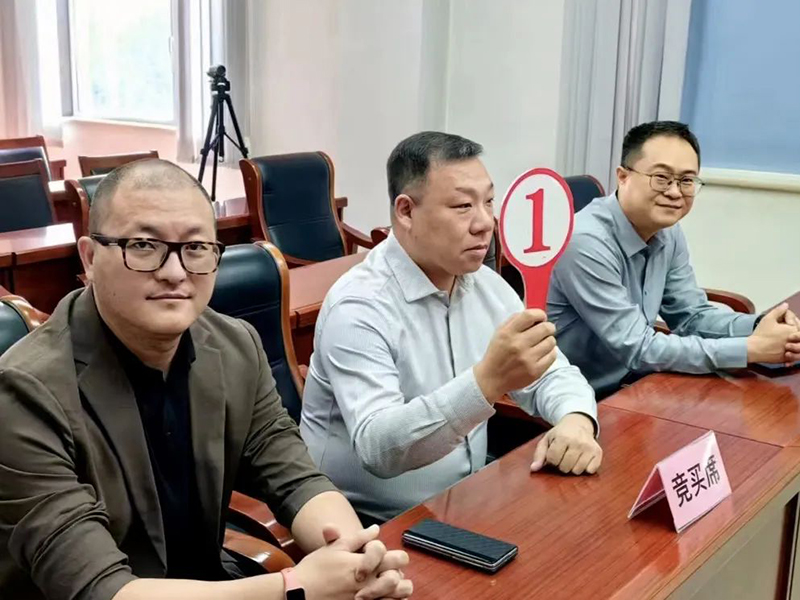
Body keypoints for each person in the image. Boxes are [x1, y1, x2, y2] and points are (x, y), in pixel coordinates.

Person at [0, 160, 412, 600]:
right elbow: (100, 590)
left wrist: (356, 557)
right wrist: (294, 587)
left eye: (196, 247)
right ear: (89, 257)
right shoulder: (24, 393)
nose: (175, 272)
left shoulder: (235, 345)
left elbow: (295, 478)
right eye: (143, 245)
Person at [300, 132, 602, 523]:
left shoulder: (486, 286)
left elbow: (549, 371)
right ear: (406, 211)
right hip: (371, 523)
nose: (485, 223)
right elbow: (379, 449)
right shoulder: (359, 306)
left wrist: (576, 419)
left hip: (468, 499)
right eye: (463, 206)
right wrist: (487, 382)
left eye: (488, 201)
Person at [548, 120, 800, 397]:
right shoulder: (584, 241)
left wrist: (760, 327)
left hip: (639, 382)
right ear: (623, 176)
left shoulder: (668, 231)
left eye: (686, 180)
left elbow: (691, 316)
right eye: (661, 178)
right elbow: (639, 348)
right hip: (577, 397)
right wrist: (750, 349)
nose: (674, 192)